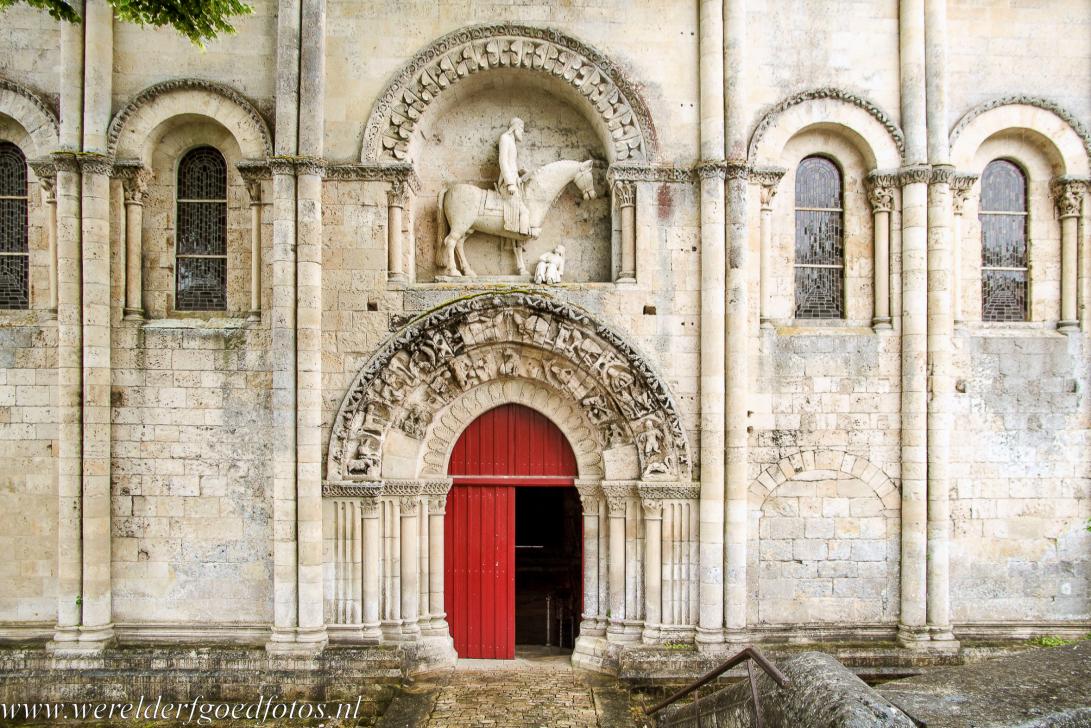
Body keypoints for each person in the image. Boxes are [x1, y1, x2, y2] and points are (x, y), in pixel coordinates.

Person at [498, 117, 531, 235]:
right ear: (515, 127)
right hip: (508, 184)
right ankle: (521, 236)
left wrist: (521, 172)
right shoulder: (505, 138)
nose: (522, 131)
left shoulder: (512, 142)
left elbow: (512, 163)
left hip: (515, 181)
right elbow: (503, 161)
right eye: (521, 128)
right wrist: (510, 183)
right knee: (524, 212)